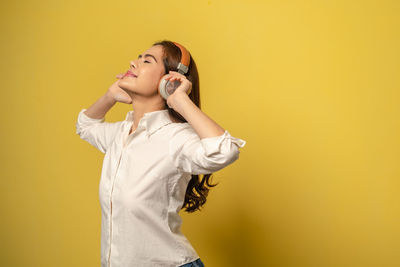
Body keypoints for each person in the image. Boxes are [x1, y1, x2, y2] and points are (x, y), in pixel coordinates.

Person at [75, 40, 246, 267]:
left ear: (169, 79)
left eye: (147, 60)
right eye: (138, 57)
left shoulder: (174, 139)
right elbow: (86, 126)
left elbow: (225, 150)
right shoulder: (121, 134)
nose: (133, 63)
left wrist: (179, 99)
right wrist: (109, 96)